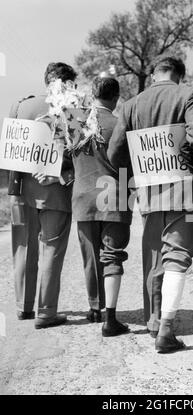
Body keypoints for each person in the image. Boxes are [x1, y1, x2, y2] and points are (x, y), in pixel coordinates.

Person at [107, 56, 193, 352]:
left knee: (154, 258)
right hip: (186, 189)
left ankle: (154, 320)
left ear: (153, 74)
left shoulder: (130, 105)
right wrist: (191, 155)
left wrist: (138, 167)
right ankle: (166, 329)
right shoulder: (187, 93)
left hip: (148, 191)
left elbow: (115, 153)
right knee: (177, 256)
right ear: (179, 74)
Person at [8, 62, 75, 329]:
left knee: (23, 247)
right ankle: (46, 311)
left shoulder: (20, 106)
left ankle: (23, 307)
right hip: (56, 191)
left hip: (22, 191)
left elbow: (12, 155)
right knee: (52, 250)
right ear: (69, 83)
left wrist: (14, 193)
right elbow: (76, 152)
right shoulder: (72, 109)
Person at [72, 76, 131, 336]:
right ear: (116, 97)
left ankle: (94, 308)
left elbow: (62, 158)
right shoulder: (119, 124)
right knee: (112, 255)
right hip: (115, 197)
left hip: (83, 198)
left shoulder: (74, 123)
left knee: (90, 257)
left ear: (92, 93)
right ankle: (111, 317)